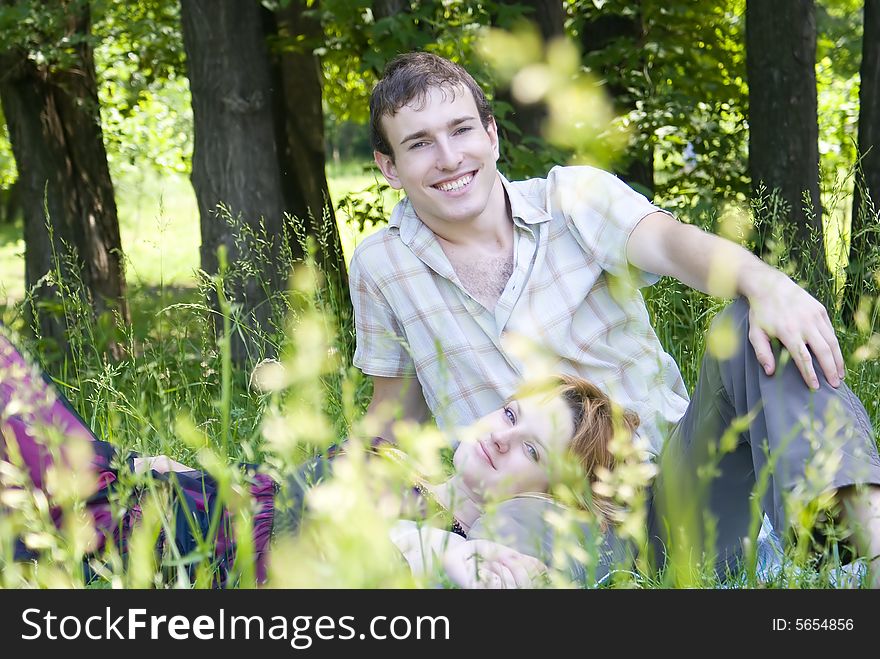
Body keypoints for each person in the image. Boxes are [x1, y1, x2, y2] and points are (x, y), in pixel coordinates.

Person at [349, 51, 880, 585]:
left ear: (491, 134)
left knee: (753, 324)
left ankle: (866, 545)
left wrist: (768, 283)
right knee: (498, 546)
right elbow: (393, 416)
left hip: (670, 486)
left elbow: (675, 246)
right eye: (419, 143)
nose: (448, 157)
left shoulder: (574, 199)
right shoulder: (382, 266)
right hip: (538, 507)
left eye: (461, 130)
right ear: (389, 166)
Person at [0, 328, 625, 588]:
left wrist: (439, 548)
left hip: (111, 535)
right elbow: (271, 493)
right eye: (511, 416)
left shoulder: (458, 555)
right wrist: (158, 465)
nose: (501, 437)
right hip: (121, 484)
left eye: (532, 449)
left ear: (548, 492)